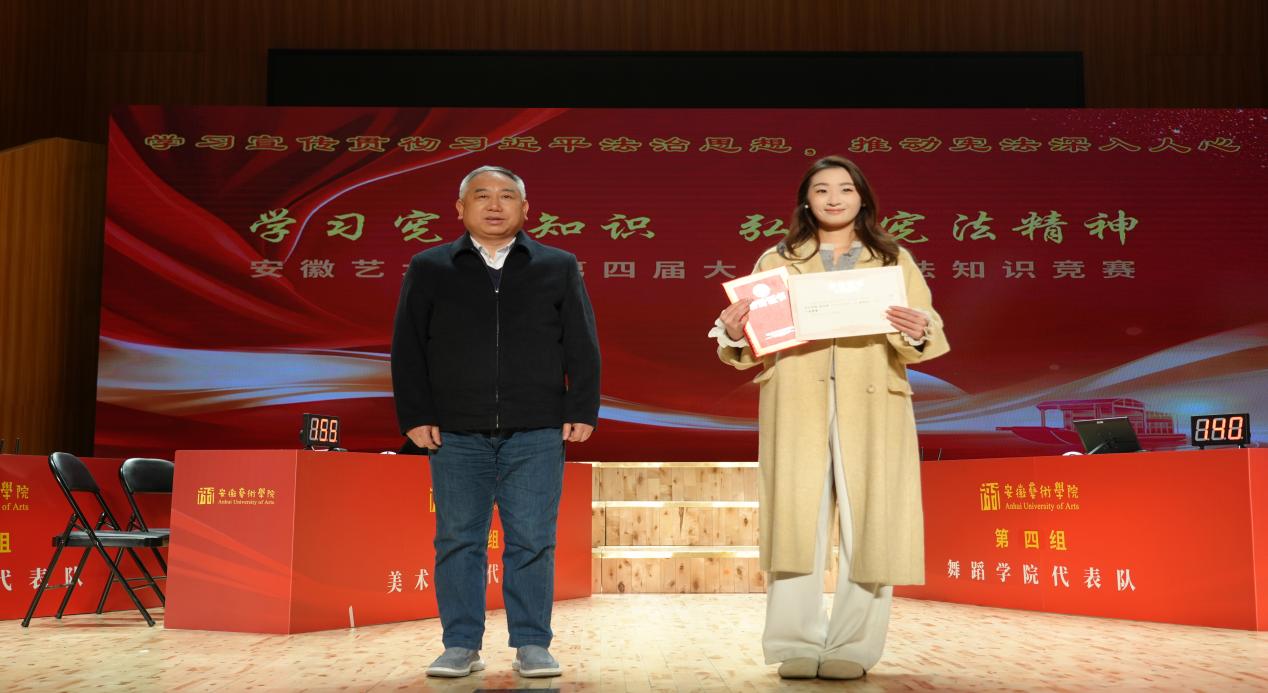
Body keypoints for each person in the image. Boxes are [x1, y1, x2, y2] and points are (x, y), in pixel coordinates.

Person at [711, 156, 949, 681]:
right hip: (796, 400)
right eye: (822, 189)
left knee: (873, 525)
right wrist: (734, 330)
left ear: (863, 198)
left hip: (875, 402)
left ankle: (854, 646)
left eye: (845, 189)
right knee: (796, 522)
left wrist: (918, 329)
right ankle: (794, 642)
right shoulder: (777, 260)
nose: (834, 198)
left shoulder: (892, 259)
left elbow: (925, 327)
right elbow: (752, 344)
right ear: (806, 200)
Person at [392, 165, 600, 679]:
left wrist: (580, 409)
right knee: (457, 540)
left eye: (507, 196)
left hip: (537, 428)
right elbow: (408, 346)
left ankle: (532, 643)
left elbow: (581, 341)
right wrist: (416, 415)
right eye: (481, 195)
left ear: (525, 209)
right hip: (455, 431)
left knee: (531, 539)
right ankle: (460, 644)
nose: (494, 205)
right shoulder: (430, 266)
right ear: (460, 208)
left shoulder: (556, 265)